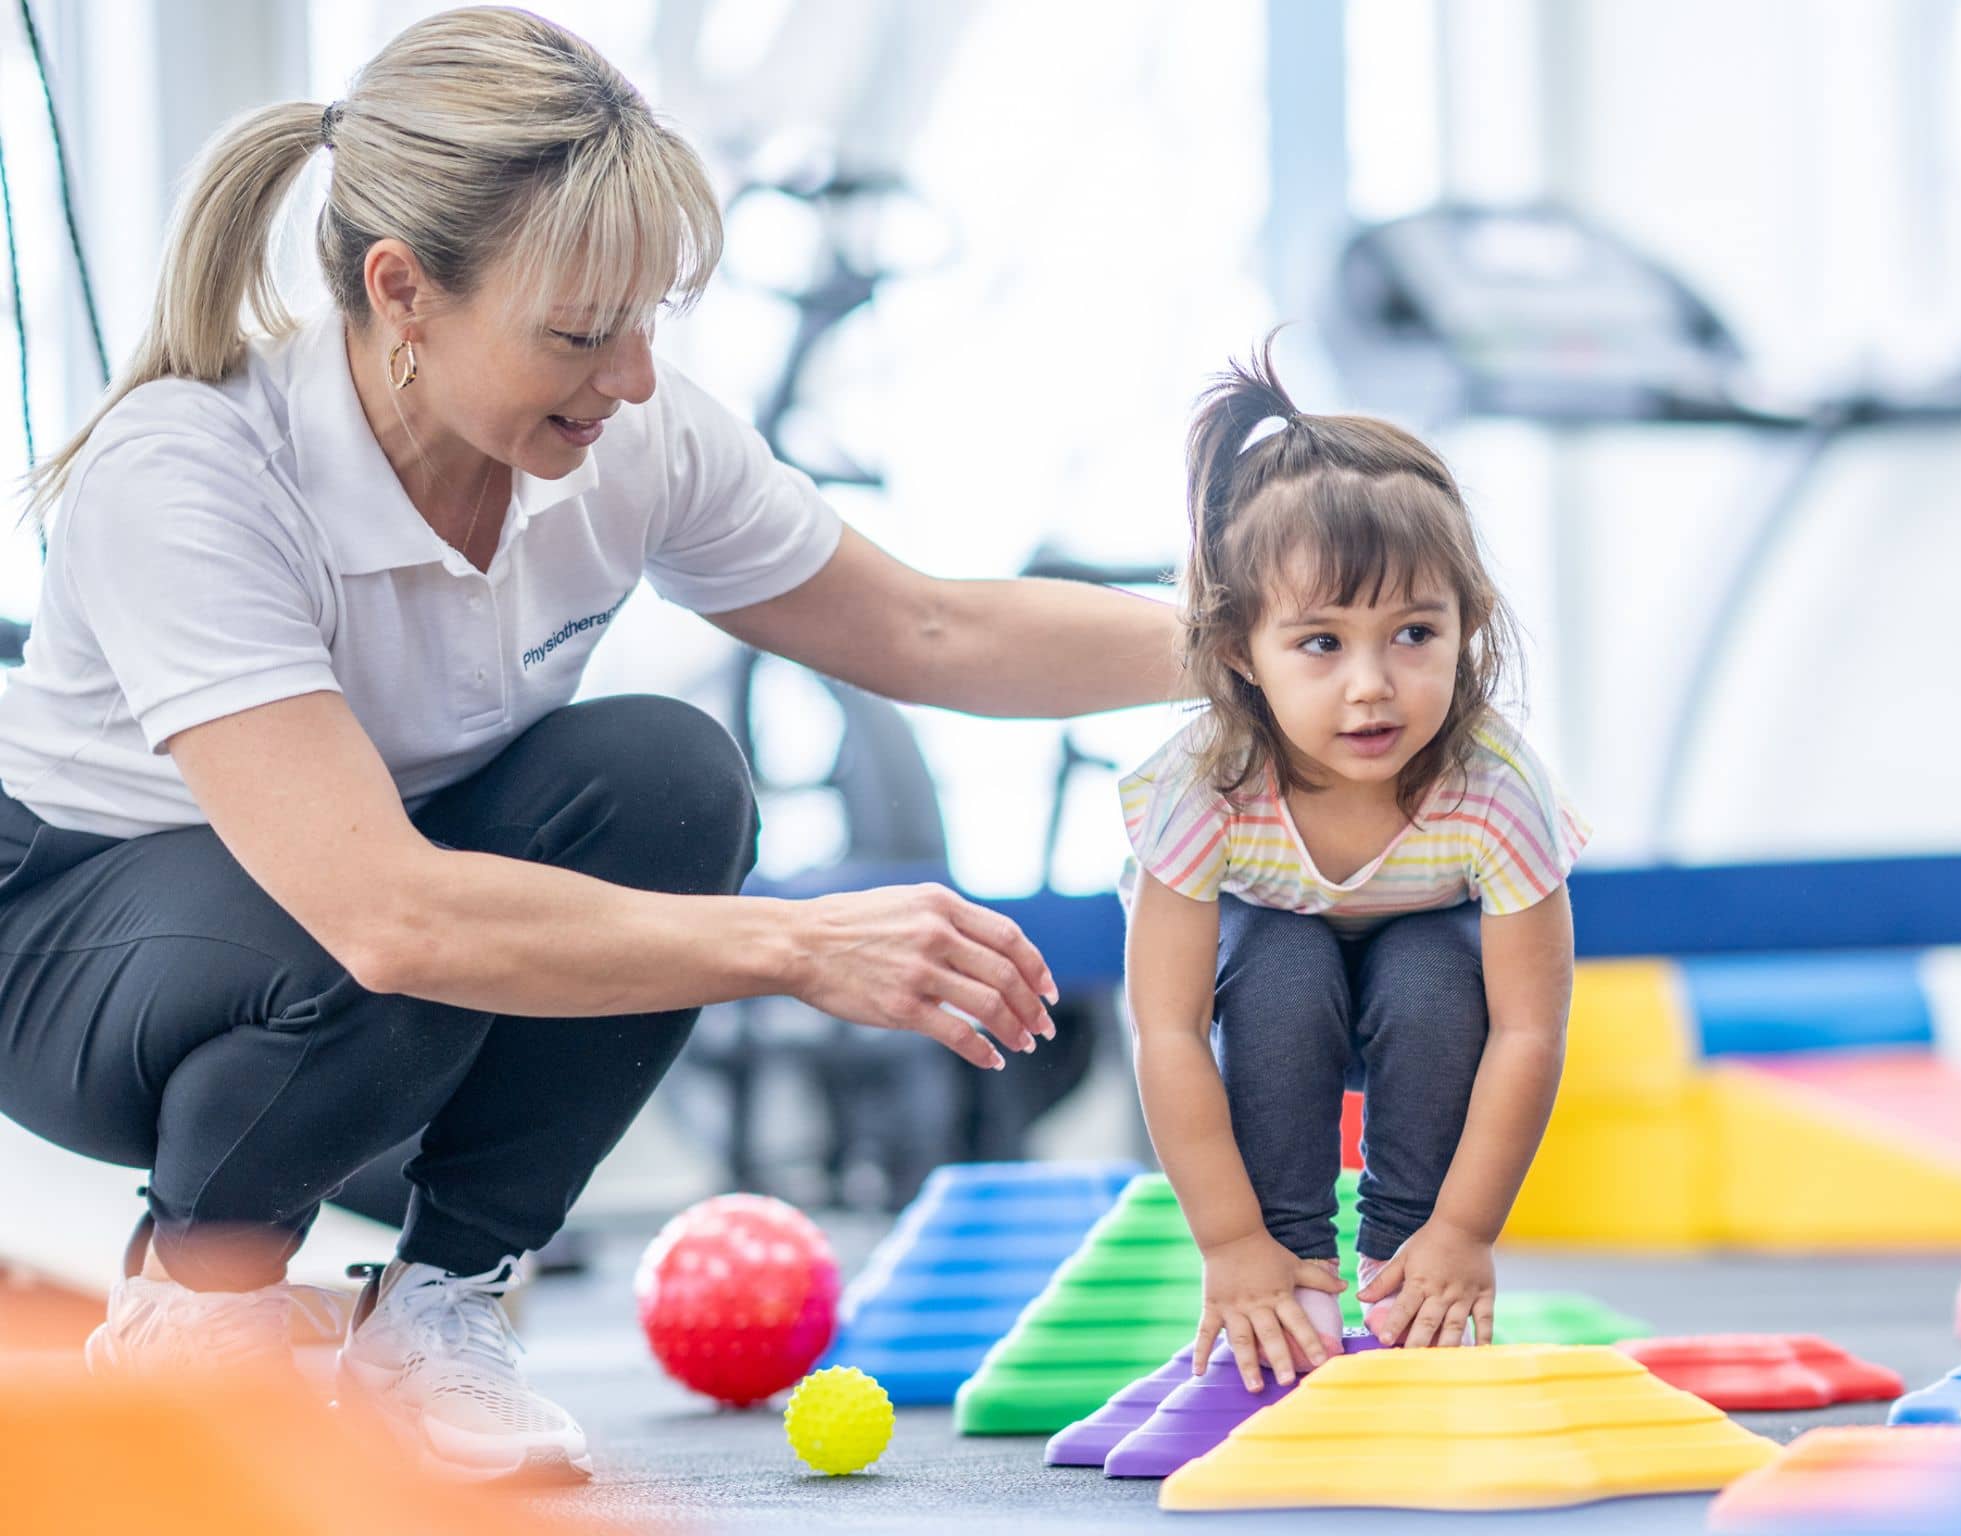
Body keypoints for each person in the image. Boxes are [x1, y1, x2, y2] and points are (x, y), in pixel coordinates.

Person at [0, 7, 1177, 1482]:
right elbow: (387, 914)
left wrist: (1253, 655)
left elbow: (930, 629)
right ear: (402, 291)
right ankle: (197, 1304)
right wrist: (799, 946)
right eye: (575, 335)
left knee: (669, 781)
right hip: (73, 936)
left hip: (367, 914)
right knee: (386, 939)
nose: (629, 379)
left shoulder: (630, 439)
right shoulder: (192, 470)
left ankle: (441, 1308)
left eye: (644, 323)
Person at [1118, 341, 1588, 1395]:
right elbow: (1168, 1030)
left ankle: (1402, 1274)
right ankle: (1292, 1277)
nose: (1371, 686)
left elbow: (1528, 1031)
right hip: (1264, 979)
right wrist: (1233, 1245)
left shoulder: (1493, 785)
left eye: (1413, 633)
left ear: (1466, 624)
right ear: (1239, 650)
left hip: (1419, 982)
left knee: (1431, 970)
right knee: (1282, 963)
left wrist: (1463, 1233)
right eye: (1321, 644)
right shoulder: (1208, 783)